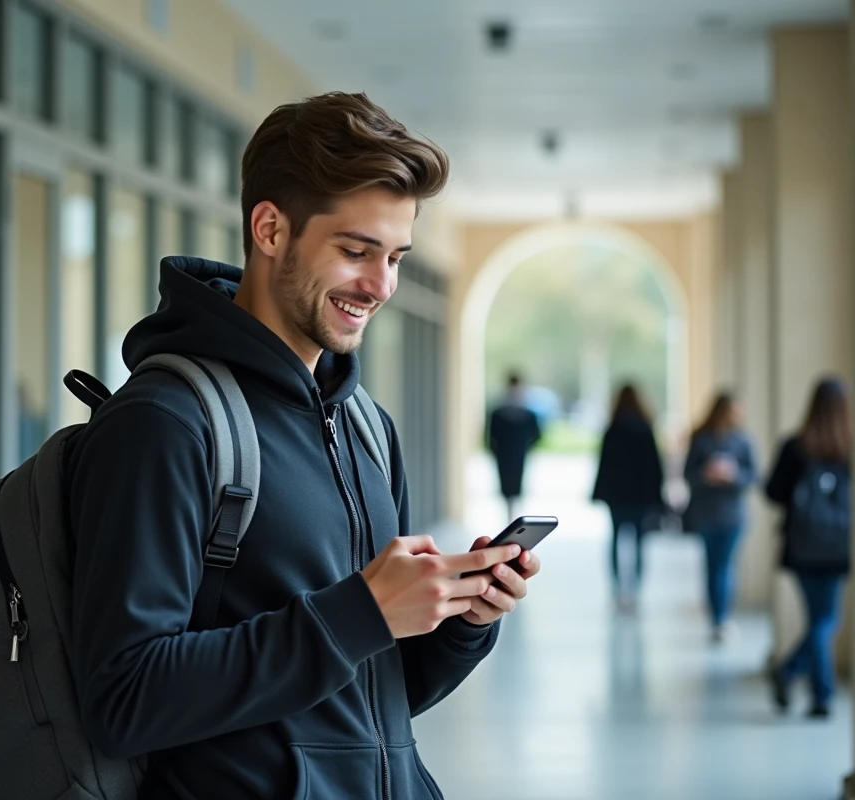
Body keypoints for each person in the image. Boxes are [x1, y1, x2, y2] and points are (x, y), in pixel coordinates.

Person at [67, 92, 542, 799]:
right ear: (269, 229)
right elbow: (124, 701)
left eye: (396, 257)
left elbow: (379, 695)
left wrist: (462, 623)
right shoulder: (166, 422)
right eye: (355, 251)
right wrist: (360, 613)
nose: (380, 286)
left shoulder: (368, 429)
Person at [765, 377, 853, 719]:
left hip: (802, 548)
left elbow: (773, 492)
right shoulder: (851, 449)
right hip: (838, 547)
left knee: (819, 619)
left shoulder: (795, 447)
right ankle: (819, 693)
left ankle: (790, 673)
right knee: (826, 619)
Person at [683, 392, 758, 642]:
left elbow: (754, 476)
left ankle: (721, 617)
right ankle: (717, 616)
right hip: (706, 513)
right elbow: (688, 474)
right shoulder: (702, 440)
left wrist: (732, 476)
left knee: (724, 567)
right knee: (712, 566)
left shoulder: (742, 441)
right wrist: (706, 475)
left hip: (733, 515)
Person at [592, 383, 665, 611]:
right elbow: (655, 466)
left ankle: (618, 590)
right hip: (641, 498)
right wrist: (658, 496)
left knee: (615, 540)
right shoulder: (645, 429)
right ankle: (635, 589)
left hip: (617, 497)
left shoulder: (612, 429)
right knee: (639, 543)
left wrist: (598, 493)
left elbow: (603, 466)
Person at [488, 371, 543, 519]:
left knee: (517, 487)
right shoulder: (499, 413)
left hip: (518, 456)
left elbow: (537, 435)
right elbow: (491, 437)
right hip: (505, 457)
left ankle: (515, 515)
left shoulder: (527, 413)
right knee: (507, 488)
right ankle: (509, 514)